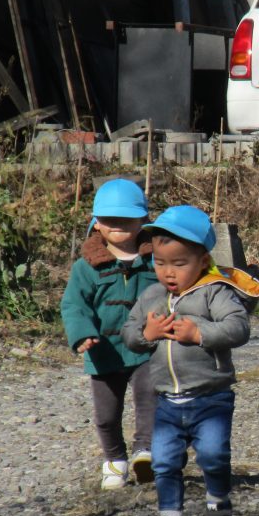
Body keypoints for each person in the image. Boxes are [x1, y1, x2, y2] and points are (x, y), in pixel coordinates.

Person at [122, 205, 259, 516]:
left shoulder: (215, 292)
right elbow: (129, 332)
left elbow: (238, 327)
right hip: (167, 401)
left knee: (213, 456)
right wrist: (147, 334)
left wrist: (199, 334)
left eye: (179, 263)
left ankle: (218, 506)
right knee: (164, 462)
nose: (168, 272)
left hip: (210, 397)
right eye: (160, 262)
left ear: (203, 261)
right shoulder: (152, 296)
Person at [61, 178, 158, 490]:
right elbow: (74, 305)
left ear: (143, 220)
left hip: (147, 347)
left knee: (150, 400)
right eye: (109, 219)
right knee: (106, 415)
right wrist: (82, 334)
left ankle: (146, 452)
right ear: (97, 224)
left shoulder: (156, 260)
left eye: (126, 219)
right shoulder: (86, 267)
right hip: (103, 350)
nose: (117, 225)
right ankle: (115, 462)